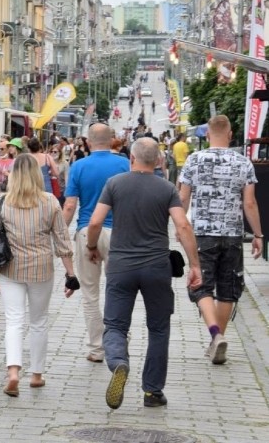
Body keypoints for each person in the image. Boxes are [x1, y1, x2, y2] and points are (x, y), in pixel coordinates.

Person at [86, 137, 201, 410]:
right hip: (156, 267)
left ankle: (118, 362)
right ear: (159, 161)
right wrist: (195, 265)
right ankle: (152, 391)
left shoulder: (115, 184)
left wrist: (92, 246)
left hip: (121, 267)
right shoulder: (166, 188)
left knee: (115, 325)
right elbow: (182, 225)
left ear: (132, 159)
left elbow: (95, 221)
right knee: (159, 329)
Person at [178, 115, 263, 365]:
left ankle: (215, 335)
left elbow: (183, 198)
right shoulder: (243, 162)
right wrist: (258, 234)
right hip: (233, 234)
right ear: (230, 133)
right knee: (229, 289)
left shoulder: (194, 160)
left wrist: (180, 225)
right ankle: (218, 338)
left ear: (206, 134)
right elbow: (249, 202)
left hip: (202, 233)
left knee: (201, 285)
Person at [0, 154, 76, 397]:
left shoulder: (3, 202)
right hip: (41, 269)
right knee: (38, 321)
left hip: (11, 268)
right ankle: (36, 374)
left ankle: (14, 371)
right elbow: (62, 240)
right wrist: (71, 274)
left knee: (14, 320)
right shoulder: (49, 201)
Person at [62, 123, 129, 363]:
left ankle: (97, 349)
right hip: (118, 233)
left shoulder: (79, 166)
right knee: (118, 289)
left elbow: (70, 205)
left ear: (88, 143)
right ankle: (119, 340)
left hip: (86, 232)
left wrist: (59, 233)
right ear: (112, 140)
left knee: (90, 293)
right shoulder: (124, 164)